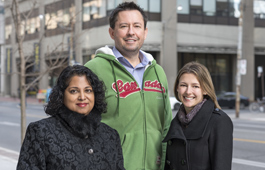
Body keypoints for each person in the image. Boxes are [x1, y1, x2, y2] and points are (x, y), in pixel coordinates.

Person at [84, 2, 172, 170]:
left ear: (145, 32)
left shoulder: (158, 72)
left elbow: (166, 124)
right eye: (123, 26)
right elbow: (79, 124)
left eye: (137, 26)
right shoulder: (93, 70)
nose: (131, 32)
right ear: (112, 32)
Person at [17, 65, 125, 170]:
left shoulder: (110, 135)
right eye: (74, 91)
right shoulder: (41, 132)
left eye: (88, 90)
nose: (82, 97)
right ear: (61, 95)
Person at [163, 62, 233, 170]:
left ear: (205, 89)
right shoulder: (176, 122)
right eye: (183, 85)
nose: (188, 91)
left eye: (195, 86)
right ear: (177, 88)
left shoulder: (219, 121)